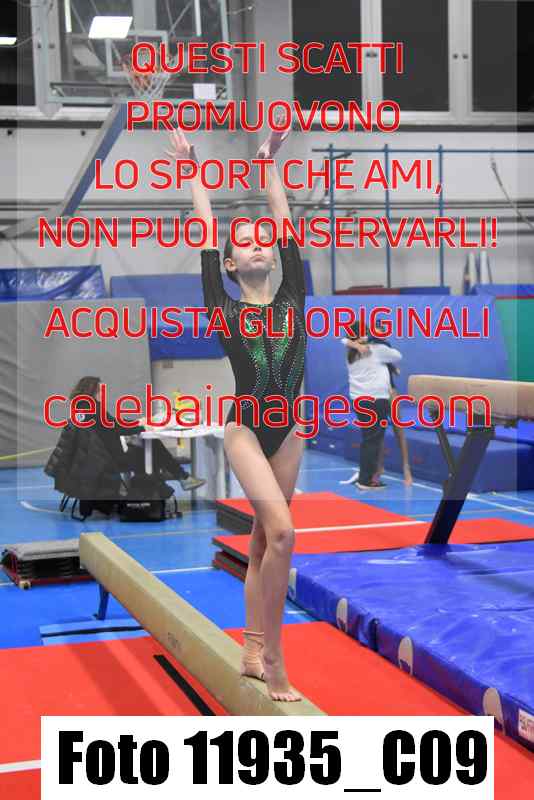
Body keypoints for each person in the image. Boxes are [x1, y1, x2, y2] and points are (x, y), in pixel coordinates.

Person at [167, 122, 306, 702]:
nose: (257, 244)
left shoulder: (294, 293)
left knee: (260, 543)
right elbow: (205, 227)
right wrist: (190, 165)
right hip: (246, 430)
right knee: (283, 533)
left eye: (262, 240)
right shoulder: (222, 308)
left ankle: (250, 646)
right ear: (227, 265)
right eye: (243, 242)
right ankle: (273, 656)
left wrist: (267, 161)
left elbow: (282, 212)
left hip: (290, 432)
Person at [69, 376, 205, 491]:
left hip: (87, 460)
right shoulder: (96, 408)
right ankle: (172, 481)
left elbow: (113, 424)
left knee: (149, 448)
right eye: (100, 390)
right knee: (152, 447)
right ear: (93, 391)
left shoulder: (79, 409)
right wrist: (143, 427)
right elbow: (118, 428)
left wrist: (137, 422)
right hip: (110, 460)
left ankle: (176, 478)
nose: (102, 394)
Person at [341, 328, 402, 490]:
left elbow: (344, 340)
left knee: (368, 440)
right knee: (373, 441)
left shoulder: (350, 355)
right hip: (376, 401)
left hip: (359, 401)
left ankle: (365, 477)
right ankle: (366, 480)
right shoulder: (377, 350)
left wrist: (355, 343)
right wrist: (379, 342)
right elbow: (398, 355)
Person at [366, 328, 412, 486]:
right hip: (376, 393)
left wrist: (392, 367)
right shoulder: (367, 349)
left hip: (390, 391)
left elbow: (392, 364)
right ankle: (379, 467)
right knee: (378, 432)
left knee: (399, 430)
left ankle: (406, 467)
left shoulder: (385, 347)